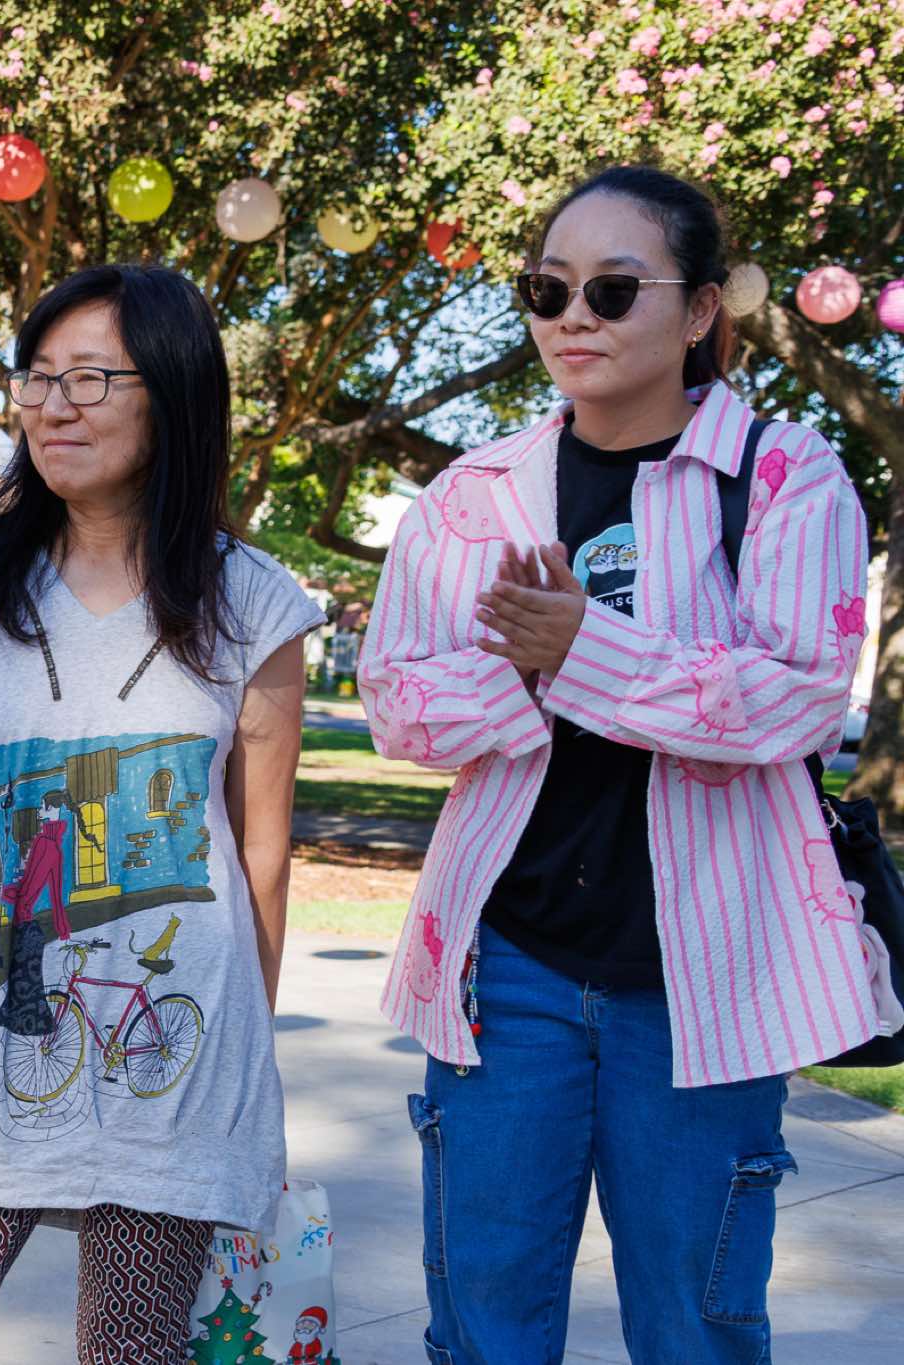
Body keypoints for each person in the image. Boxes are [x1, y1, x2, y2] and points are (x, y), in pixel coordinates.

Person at [359, 165, 882, 1363]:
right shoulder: (471, 496)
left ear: (697, 309)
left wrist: (577, 649)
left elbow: (797, 697)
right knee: (483, 1323)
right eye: (546, 290)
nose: (571, 317)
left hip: (710, 980)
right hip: (504, 969)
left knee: (696, 1327)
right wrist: (534, 673)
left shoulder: (784, 474)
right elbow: (396, 705)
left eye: (609, 289)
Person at [0, 263, 324, 1365]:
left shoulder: (253, 600)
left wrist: (244, 1065)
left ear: (172, 394)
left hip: (175, 1076)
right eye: (37, 378)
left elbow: (262, 854)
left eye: (90, 378)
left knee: (131, 1351)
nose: (52, 406)